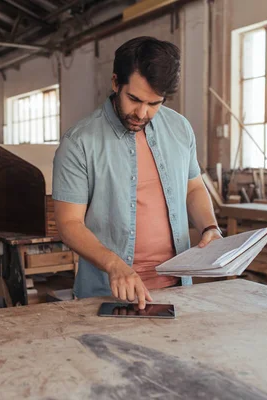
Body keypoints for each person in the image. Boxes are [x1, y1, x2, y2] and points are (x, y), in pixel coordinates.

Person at [52, 36, 221, 309]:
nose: (142, 113)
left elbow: (193, 188)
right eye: (134, 99)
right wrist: (114, 265)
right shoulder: (79, 142)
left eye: (154, 103)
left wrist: (209, 227)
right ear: (116, 82)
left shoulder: (180, 129)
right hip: (106, 294)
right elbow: (69, 224)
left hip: (176, 289)